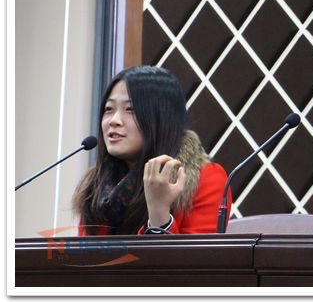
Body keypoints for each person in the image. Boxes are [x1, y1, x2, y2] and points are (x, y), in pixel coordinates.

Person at [73, 65, 231, 235]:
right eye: (109, 109)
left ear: (162, 117)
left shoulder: (206, 179)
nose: (114, 120)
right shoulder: (99, 183)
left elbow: (198, 252)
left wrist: (158, 211)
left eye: (130, 109)